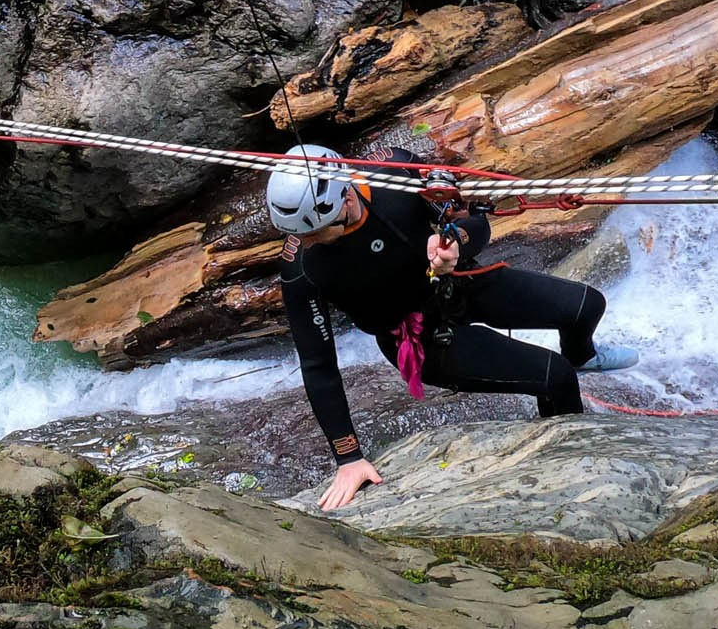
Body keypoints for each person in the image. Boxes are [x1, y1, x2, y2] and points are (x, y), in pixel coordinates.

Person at [270, 143, 639, 512]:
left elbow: (476, 223)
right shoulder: (302, 268)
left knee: (588, 306)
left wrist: (455, 243)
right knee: (556, 377)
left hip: (459, 284)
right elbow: (318, 365)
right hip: (422, 340)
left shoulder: (395, 173)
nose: (304, 242)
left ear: (346, 199)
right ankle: (569, 469)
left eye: (314, 232)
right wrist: (348, 457)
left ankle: (581, 355)